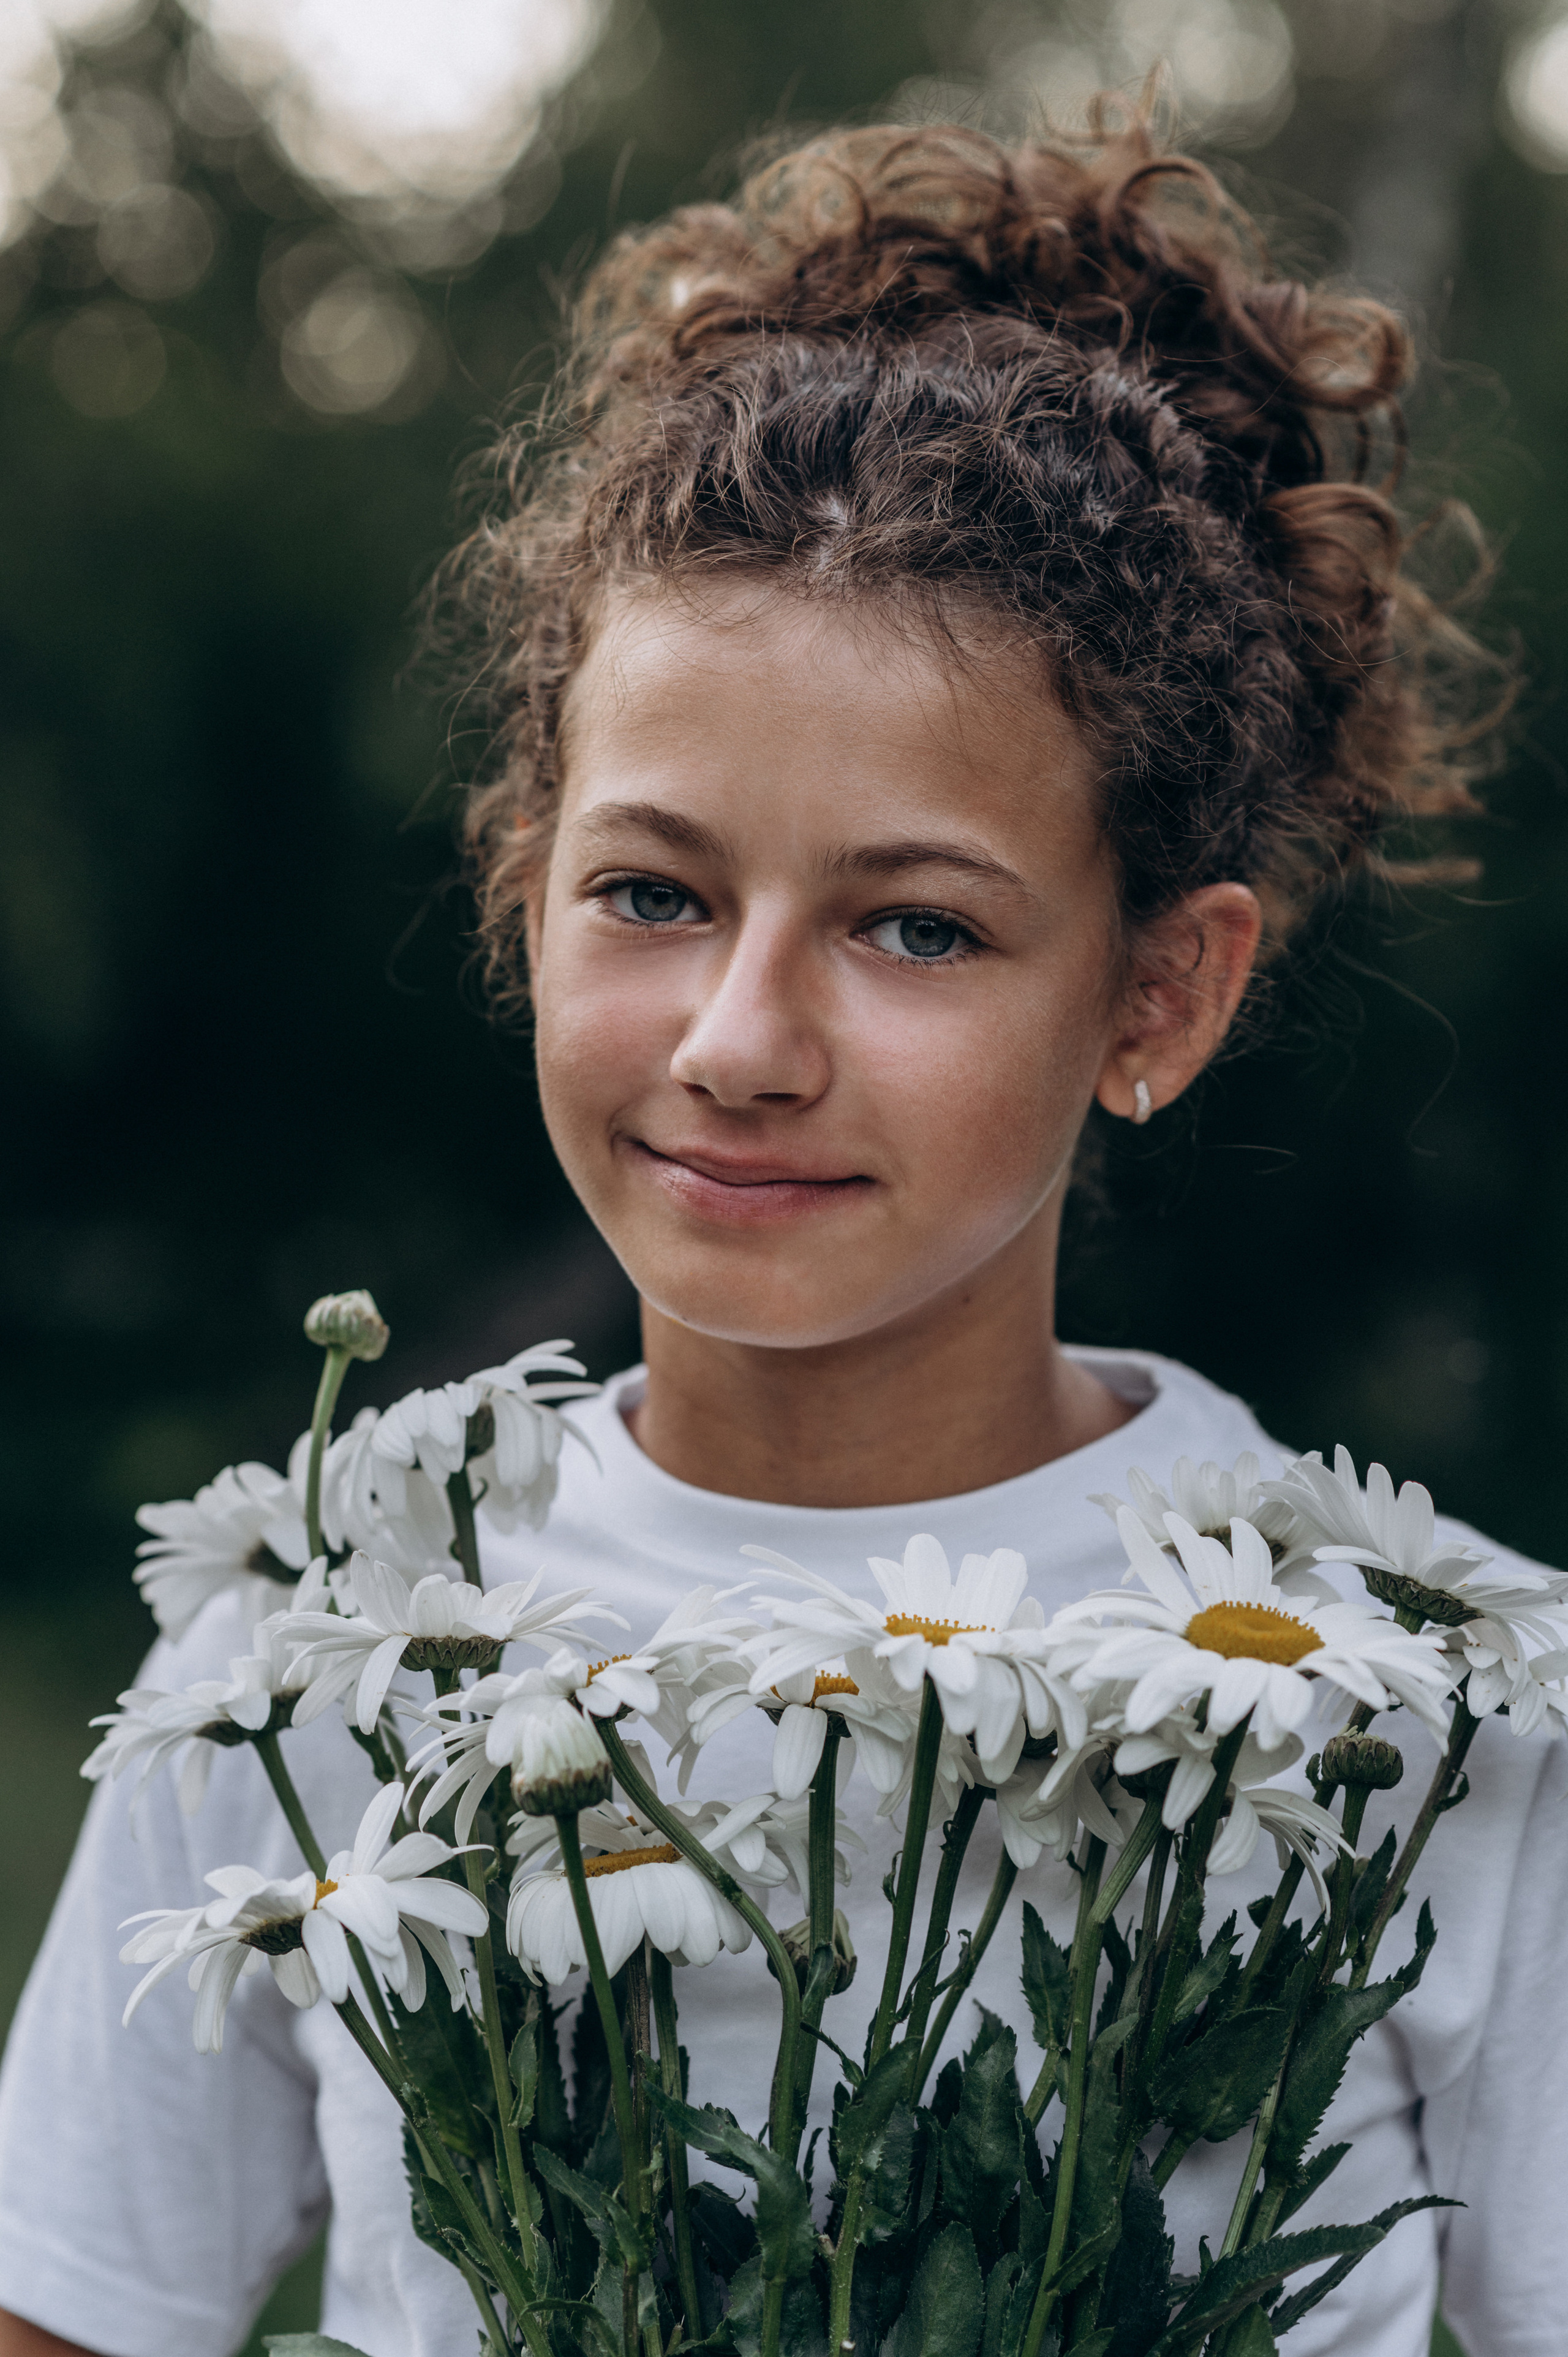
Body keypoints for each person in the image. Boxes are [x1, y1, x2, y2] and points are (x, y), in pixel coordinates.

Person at [0, 116, 1560, 2357]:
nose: (742, 1040)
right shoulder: (315, 1646)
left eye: (915, 927)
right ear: (521, 887)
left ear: (1164, 993)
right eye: (652, 893)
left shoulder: (1451, 1711)